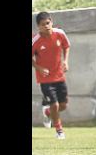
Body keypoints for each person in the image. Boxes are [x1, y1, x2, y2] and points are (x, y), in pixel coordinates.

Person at [32, 11, 70, 139]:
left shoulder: (60, 33)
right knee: (55, 105)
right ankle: (59, 131)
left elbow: (66, 46)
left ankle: (48, 112)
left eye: (48, 23)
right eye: (43, 25)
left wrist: (65, 61)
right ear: (39, 27)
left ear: (51, 22)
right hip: (45, 79)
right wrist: (38, 67)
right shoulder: (35, 40)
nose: (46, 26)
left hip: (59, 75)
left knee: (63, 105)